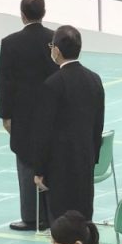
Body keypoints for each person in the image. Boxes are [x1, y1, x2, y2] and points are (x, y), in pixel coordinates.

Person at [34, 25, 104, 223]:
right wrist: (93, 157)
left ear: (56, 50)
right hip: (85, 159)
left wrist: (39, 170)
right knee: (84, 217)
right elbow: (98, 124)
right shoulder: (94, 79)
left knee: (62, 221)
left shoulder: (52, 84)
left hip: (59, 166)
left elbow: (44, 132)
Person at [0, 0, 57, 231]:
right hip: (51, 110)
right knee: (51, 160)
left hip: (23, 113)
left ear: (22, 14)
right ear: (44, 12)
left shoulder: (10, 42)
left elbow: (6, 81)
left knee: (25, 161)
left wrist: (6, 114)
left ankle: (31, 217)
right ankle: (52, 212)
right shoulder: (54, 38)